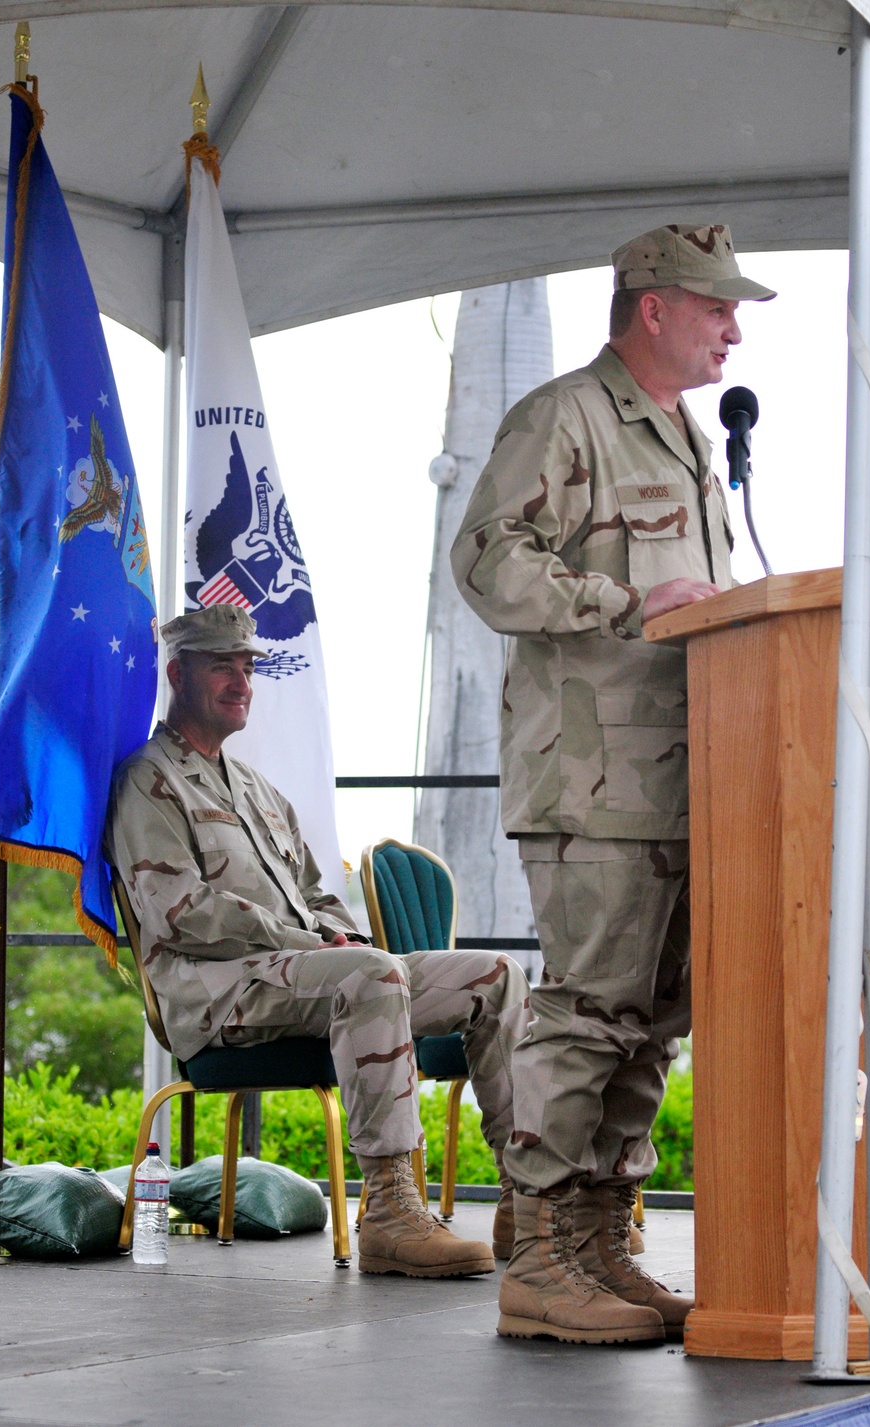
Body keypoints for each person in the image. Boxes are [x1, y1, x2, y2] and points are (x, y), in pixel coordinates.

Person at [451, 223, 775, 1344]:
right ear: (651, 306)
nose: (733, 325)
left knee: (647, 1026)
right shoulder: (563, 418)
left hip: (691, 779)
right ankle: (537, 1253)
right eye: (715, 304)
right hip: (592, 780)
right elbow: (487, 560)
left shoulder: (688, 438)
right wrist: (623, 604)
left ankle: (599, 1240)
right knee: (588, 1012)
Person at [106, 603, 531, 1279]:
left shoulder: (257, 789)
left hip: (301, 975)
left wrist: (342, 935)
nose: (241, 681)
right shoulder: (148, 781)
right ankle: (391, 1214)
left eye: (247, 666)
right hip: (215, 993)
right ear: (177, 674)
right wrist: (313, 943)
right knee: (368, 975)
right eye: (223, 666)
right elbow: (177, 913)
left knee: (497, 974)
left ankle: (528, 1199)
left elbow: (319, 889)